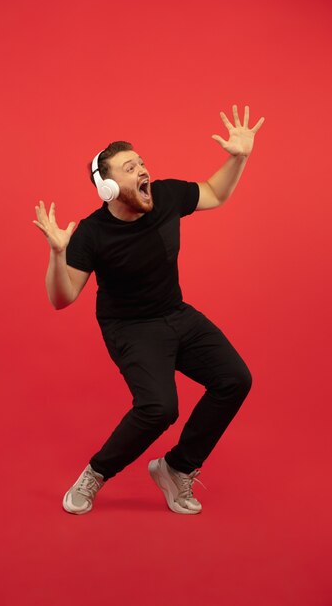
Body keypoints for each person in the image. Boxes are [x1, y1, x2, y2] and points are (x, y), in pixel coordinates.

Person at [32, 104, 265, 515]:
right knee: (160, 408)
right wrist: (56, 254)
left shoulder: (166, 196)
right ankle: (96, 473)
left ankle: (177, 468)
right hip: (130, 327)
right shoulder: (92, 233)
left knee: (235, 379)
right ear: (106, 186)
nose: (142, 171)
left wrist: (239, 157)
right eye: (129, 167)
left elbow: (214, 193)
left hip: (176, 313)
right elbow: (62, 297)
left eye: (141, 162)